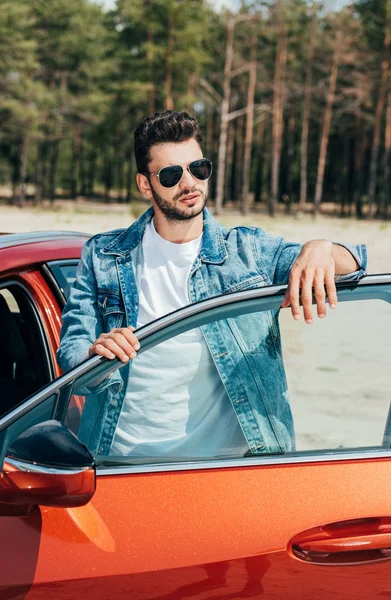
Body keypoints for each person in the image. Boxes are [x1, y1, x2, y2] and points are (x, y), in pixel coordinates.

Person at [57, 110, 367, 459]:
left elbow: (355, 263)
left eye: (198, 168)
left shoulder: (247, 252)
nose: (189, 183)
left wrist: (321, 248)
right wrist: (95, 355)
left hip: (228, 472)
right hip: (121, 466)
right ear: (145, 184)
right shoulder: (102, 256)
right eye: (172, 174)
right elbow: (72, 356)